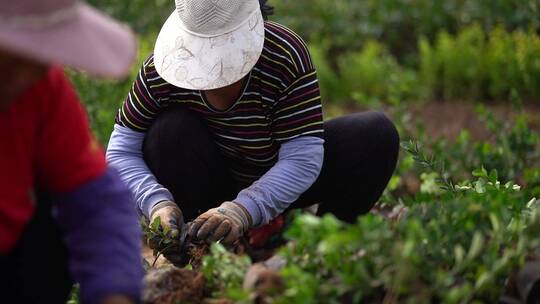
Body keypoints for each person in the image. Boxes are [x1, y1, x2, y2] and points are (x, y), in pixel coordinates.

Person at [107, 0, 399, 259]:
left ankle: (319, 251)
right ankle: (199, 246)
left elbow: (302, 156)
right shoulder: (162, 69)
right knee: (167, 132)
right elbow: (120, 150)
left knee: (374, 135)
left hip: (274, 180)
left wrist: (243, 209)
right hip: (206, 182)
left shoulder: (284, 55)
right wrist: (156, 203)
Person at [0, 0, 143, 303]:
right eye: (14, 62)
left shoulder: (41, 86)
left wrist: (115, 291)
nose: (29, 75)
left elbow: (95, 198)